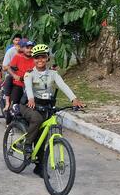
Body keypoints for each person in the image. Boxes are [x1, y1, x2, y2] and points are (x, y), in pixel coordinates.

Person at [21, 43, 85, 174]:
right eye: (37, 57)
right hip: (29, 105)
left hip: (46, 106)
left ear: (48, 58)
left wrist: (74, 99)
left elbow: (63, 85)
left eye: (43, 57)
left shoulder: (53, 74)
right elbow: (28, 87)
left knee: (43, 136)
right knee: (37, 119)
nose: (40, 60)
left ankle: (39, 167)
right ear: (33, 59)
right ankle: (27, 145)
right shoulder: (29, 74)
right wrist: (31, 98)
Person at [7, 40, 35, 114]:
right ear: (23, 48)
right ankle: (8, 123)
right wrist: (14, 75)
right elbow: (9, 68)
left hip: (30, 86)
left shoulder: (35, 59)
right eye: (27, 48)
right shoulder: (18, 57)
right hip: (18, 84)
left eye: (31, 48)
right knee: (14, 103)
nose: (29, 50)